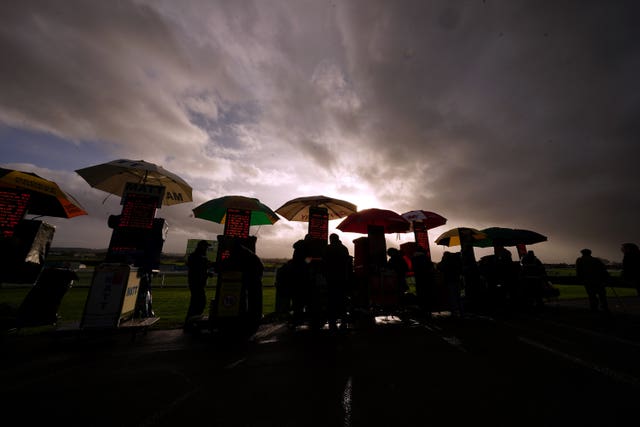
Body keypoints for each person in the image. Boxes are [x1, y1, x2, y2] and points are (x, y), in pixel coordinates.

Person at [322, 233, 352, 330]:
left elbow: (324, 262)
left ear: (331, 239)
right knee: (342, 299)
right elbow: (347, 262)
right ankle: (343, 319)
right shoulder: (344, 248)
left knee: (331, 299)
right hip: (342, 277)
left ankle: (332, 320)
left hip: (331, 278)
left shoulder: (328, 248)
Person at [184, 240, 214, 330]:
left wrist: (207, 274)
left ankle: (191, 323)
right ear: (201, 247)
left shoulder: (197, 256)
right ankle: (190, 323)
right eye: (206, 247)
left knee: (198, 303)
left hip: (197, 283)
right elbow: (200, 266)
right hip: (196, 284)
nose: (207, 249)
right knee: (198, 303)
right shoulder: (197, 257)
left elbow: (200, 268)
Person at [575, 248, 609, 314]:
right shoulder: (596, 260)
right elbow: (603, 269)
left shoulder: (580, 260)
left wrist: (580, 279)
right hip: (599, 280)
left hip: (588, 281)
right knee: (602, 295)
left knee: (592, 295)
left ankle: (594, 309)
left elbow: (578, 271)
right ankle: (605, 308)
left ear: (582, 253)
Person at [411, 245, 435, 316]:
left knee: (421, 293)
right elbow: (430, 267)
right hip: (427, 278)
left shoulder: (414, 258)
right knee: (427, 293)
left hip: (419, 278)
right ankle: (428, 308)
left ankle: (422, 308)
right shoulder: (425, 258)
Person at [438, 251, 464, 317]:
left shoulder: (446, 260)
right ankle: (461, 310)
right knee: (458, 296)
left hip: (449, 280)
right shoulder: (456, 260)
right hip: (457, 280)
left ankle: (454, 311)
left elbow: (440, 267)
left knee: (452, 296)